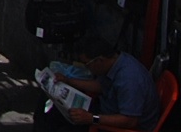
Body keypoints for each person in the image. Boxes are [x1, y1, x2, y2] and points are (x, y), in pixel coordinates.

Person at [33, 37, 161, 129]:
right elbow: (100, 86)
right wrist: (68, 81)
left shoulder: (129, 80)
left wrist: (91, 118)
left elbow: (130, 120)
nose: (87, 68)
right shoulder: (115, 63)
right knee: (47, 108)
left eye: (87, 65)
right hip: (106, 108)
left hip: (122, 123)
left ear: (99, 60)